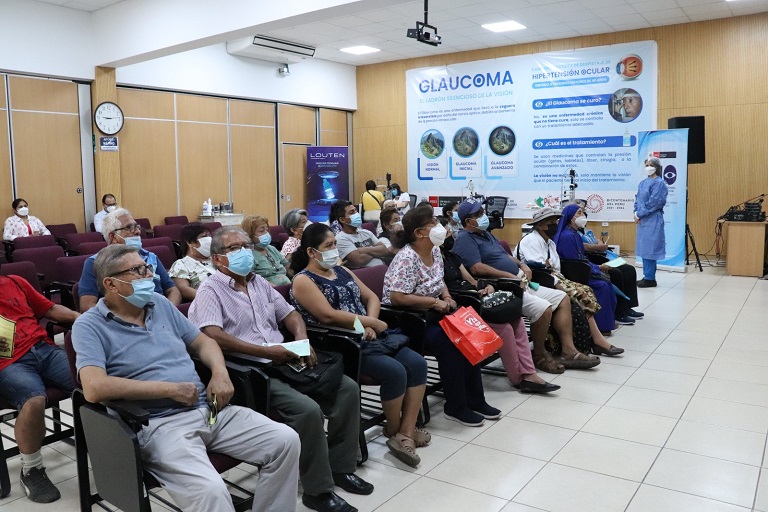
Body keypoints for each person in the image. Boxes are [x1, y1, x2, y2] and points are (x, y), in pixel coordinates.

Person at [72, 244, 300, 512]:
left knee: (285, 440)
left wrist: (219, 373)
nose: (151, 276)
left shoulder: (157, 304)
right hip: (160, 425)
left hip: (210, 410)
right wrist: (168, 389)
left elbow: (204, 342)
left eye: (148, 267)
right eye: (138, 270)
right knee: (211, 492)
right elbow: (93, 388)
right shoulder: (89, 326)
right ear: (111, 283)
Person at [189, 227, 373, 512]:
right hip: (251, 369)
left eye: (245, 245)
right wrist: (266, 352)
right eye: (233, 248)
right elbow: (213, 335)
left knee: (347, 388)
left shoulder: (259, 282)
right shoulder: (210, 289)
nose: (243, 251)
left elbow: (291, 314)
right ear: (217, 259)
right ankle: (318, 490)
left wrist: (301, 339)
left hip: (284, 357)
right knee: (307, 410)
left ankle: (341, 468)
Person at [290, 223, 429, 467]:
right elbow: (328, 316)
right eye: (328, 246)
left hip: (368, 334)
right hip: (341, 343)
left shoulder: (341, 270)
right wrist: (366, 323)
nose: (334, 249)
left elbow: (371, 297)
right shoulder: (303, 280)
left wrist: (371, 324)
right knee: (394, 372)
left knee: (417, 363)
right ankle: (395, 430)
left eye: (335, 244)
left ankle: (404, 432)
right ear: (312, 252)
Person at [383, 205, 500, 427]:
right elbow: (397, 297)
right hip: (410, 319)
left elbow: (439, 280)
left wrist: (445, 296)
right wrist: (434, 302)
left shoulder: (435, 250)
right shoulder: (407, 257)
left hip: (436, 311)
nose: (440, 227)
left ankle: (476, 399)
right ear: (419, 232)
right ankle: (455, 407)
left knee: (469, 335)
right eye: (433, 224)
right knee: (452, 343)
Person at [452, 198, 599, 373]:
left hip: (521, 280)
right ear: (469, 221)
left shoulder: (487, 235)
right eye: (479, 214)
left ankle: (568, 350)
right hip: (503, 286)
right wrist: (508, 274)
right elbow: (476, 267)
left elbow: (505, 255)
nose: (484, 216)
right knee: (544, 308)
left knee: (562, 298)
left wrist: (522, 265)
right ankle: (539, 354)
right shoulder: (465, 238)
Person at [437, 218, 560, 393]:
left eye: (450, 233)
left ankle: (529, 373)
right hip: (461, 304)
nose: (451, 237)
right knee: (505, 328)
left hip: (475, 296)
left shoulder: (452, 256)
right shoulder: (432, 262)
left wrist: (487, 286)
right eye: (448, 233)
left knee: (516, 319)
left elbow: (472, 280)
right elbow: (442, 289)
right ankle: (518, 378)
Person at [0, 273, 79, 503]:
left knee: (92, 383)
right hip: (8, 362)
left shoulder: (14, 281)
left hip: (43, 349)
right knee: (34, 400)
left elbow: (51, 310)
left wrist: (84, 318)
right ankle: (31, 470)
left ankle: (108, 446)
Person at [517, 208, 624, 357]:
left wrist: (558, 277)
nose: (555, 224)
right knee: (579, 293)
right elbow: (540, 269)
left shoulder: (549, 243)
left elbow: (554, 266)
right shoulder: (531, 241)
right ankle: (597, 340)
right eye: (551, 222)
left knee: (586, 290)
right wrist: (559, 285)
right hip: (537, 281)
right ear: (540, 225)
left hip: (554, 276)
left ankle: (596, 338)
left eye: (556, 221)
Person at [78, 208, 181, 312]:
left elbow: (173, 290)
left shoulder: (151, 257)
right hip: (123, 320)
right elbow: (87, 305)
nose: (137, 231)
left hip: (160, 314)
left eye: (136, 226)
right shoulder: (95, 263)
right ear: (113, 236)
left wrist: (167, 311)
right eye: (129, 227)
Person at [554, 204, 622, 336]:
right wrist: (597, 268)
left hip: (582, 269)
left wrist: (597, 267)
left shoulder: (574, 234)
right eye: (579, 213)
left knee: (607, 283)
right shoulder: (567, 236)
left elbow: (581, 258)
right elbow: (575, 263)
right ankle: (602, 326)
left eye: (583, 213)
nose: (582, 216)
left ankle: (607, 322)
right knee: (602, 286)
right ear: (570, 217)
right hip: (575, 274)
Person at [579, 214, 643, 320]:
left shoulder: (583, 229)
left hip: (598, 254)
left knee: (629, 269)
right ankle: (619, 311)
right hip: (590, 259)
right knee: (616, 273)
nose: (582, 216)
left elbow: (596, 239)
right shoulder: (570, 233)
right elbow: (584, 247)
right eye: (579, 213)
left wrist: (599, 245)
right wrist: (598, 247)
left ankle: (628, 307)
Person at [634, 156, 668, 288]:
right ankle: (646, 276)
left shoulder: (659, 184)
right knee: (644, 249)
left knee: (650, 249)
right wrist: (635, 212)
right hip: (643, 221)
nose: (648, 168)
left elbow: (654, 203)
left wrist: (640, 213)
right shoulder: (643, 183)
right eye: (646, 165)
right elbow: (637, 199)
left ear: (657, 167)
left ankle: (650, 278)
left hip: (653, 219)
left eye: (650, 165)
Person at [332, 201, 392, 269]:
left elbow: (384, 250)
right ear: (342, 219)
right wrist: (375, 252)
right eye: (352, 212)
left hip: (383, 268)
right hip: (365, 274)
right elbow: (358, 260)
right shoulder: (341, 238)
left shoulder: (366, 232)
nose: (356, 214)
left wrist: (365, 250)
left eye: (356, 211)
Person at [169, 222, 214, 301]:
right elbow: (183, 289)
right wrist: (209, 298)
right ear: (190, 243)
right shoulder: (181, 264)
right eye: (204, 237)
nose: (209, 239)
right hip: (207, 302)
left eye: (209, 236)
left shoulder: (217, 259)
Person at [241, 215, 291, 286]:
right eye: (261, 231)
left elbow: (287, 266)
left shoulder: (271, 249)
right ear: (250, 235)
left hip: (287, 286)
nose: (266, 233)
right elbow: (251, 280)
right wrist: (278, 290)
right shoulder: (248, 255)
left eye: (267, 230)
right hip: (269, 291)